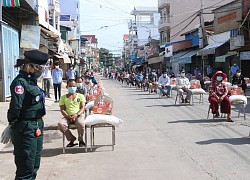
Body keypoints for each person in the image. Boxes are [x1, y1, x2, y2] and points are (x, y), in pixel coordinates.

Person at [7, 50, 48, 179]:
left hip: (36, 125)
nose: (40, 70)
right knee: (25, 168)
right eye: (37, 67)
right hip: (25, 127)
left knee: (34, 165)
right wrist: (11, 124)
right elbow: (15, 107)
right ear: (28, 66)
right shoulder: (20, 82)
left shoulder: (31, 81)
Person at [58, 79, 86, 147]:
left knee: (81, 123)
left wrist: (77, 114)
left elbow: (82, 108)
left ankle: (81, 140)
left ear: (76, 87)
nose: (72, 88)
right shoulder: (63, 98)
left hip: (78, 115)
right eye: (70, 86)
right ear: (67, 87)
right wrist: (68, 116)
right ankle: (71, 139)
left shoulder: (80, 96)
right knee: (61, 124)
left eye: (73, 86)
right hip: (68, 116)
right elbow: (62, 109)